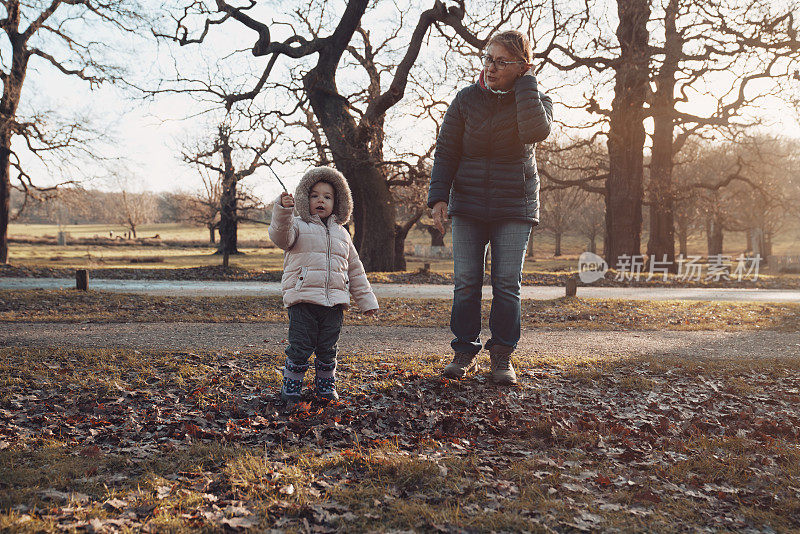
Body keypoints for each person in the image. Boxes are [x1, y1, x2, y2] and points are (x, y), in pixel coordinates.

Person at [427, 30, 553, 384]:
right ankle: (463, 350)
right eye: (488, 59)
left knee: (506, 282)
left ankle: (502, 356)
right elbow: (447, 151)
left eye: (501, 62)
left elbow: (535, 131)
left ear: (522, 67)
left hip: (515, 204)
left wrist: (527, 84)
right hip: (467, 203)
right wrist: (439, 197)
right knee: (466, 281)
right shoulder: (466, 99)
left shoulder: (537, 99)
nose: (491, 67)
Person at [269, 166, 378, 410]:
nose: (321, 200)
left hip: (334, 304)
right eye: (315, 195)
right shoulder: (296, 226)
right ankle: (292, 385)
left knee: (328, 348)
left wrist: (367, 301)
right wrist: (284, 210)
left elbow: (355, 269)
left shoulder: (342, 234)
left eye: (327, 197)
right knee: (300, 346)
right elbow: (279, 237)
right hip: (303, 299)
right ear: (304, 198)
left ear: (338, 203)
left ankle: (325, 385)